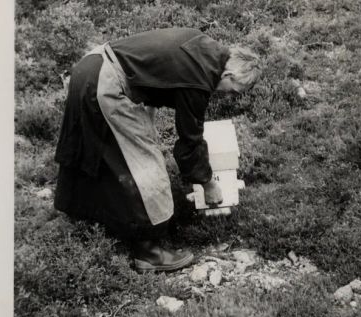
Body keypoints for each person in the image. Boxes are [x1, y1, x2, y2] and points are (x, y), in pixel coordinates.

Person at [54, 27, 260, 272]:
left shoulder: (203, 47)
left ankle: (84, 215)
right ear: (229, 75)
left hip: (91, 66)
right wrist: (208, 183)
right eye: (233, 91)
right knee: (144, 165)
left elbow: (155, 74)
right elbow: (189, 140)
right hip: (106, 83)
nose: (227, 96)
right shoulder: (201, 78)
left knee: (99, 147)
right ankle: (148, 250)